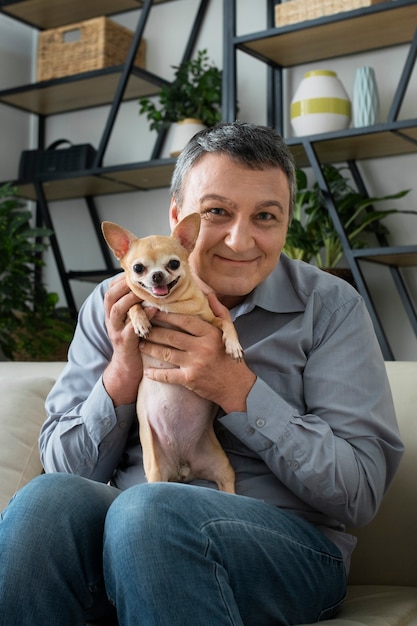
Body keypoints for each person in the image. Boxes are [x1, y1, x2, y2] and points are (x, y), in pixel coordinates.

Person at [0, 121, 403, 626]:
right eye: (216, 212)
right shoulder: (116, 303)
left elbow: (359, 492)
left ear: (285, 225)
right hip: (125, 521)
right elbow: (65, 468)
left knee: (149, 512)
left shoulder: (330, 307)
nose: (239, 240)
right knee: (43, 504)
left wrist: (237, 390)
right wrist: (123, 374)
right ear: (178, 221)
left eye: (266, 216)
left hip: (287, 545)